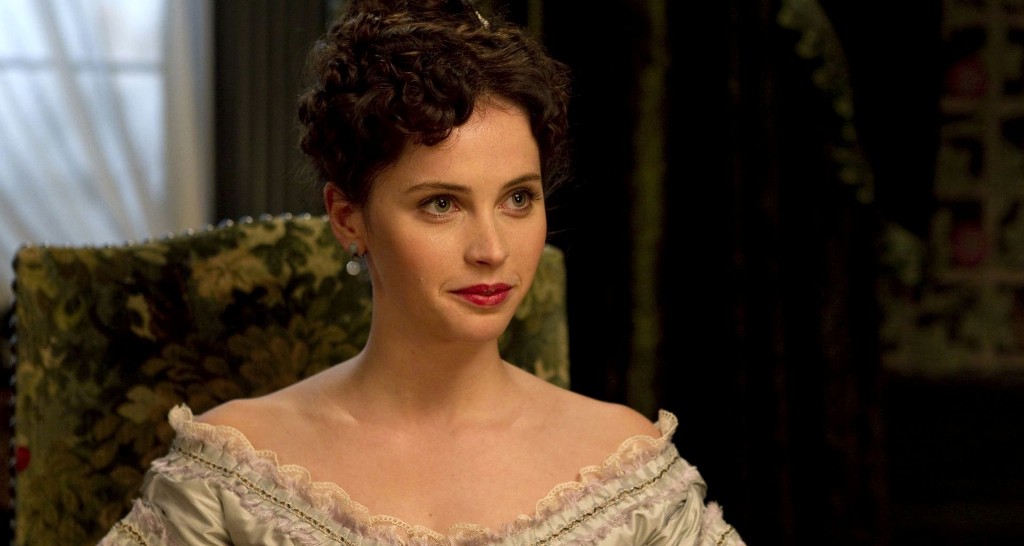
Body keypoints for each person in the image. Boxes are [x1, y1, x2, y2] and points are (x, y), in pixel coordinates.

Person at [99, 0, 745, 544]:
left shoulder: (628, 470)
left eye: (519, 198)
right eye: (442, 204)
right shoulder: (227, 473)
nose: (491, 249)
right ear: (348, 218)